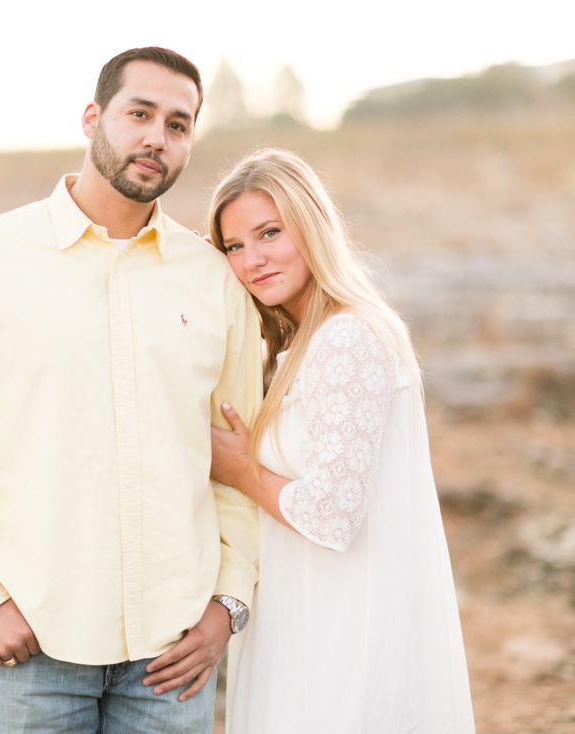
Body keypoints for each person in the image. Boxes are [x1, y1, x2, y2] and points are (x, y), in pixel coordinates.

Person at [0, 47, 263, 732]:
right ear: (93, 117)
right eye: (140, 113)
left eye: (178, 125)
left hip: (172, 654)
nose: (157, 136)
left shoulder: (213, 281)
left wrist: (227, 606)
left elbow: (239, 462)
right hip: (32, 646)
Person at [206, 147, 475, 733]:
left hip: (346, 630)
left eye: (269, 232)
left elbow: (331, 515)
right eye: (233, 246)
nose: (252, 259)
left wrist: (241, 469)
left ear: (310, 223)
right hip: (310, 616)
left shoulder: (346, 337)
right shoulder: (295, 344)